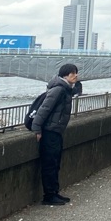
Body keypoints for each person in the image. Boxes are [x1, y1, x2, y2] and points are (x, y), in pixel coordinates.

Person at [31, 63, 82, 205]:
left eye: (76, 73)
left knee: (55, 163)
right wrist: (37, 129)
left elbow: (76, 92)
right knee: (49, 164)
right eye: (73, 73)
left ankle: (54, 192)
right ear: (65, 75)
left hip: (56, 131)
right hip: (49, 132)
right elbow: (44, 109)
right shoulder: (59, 89)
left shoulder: (66, 89)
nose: (76, 76)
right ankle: (48, 196)